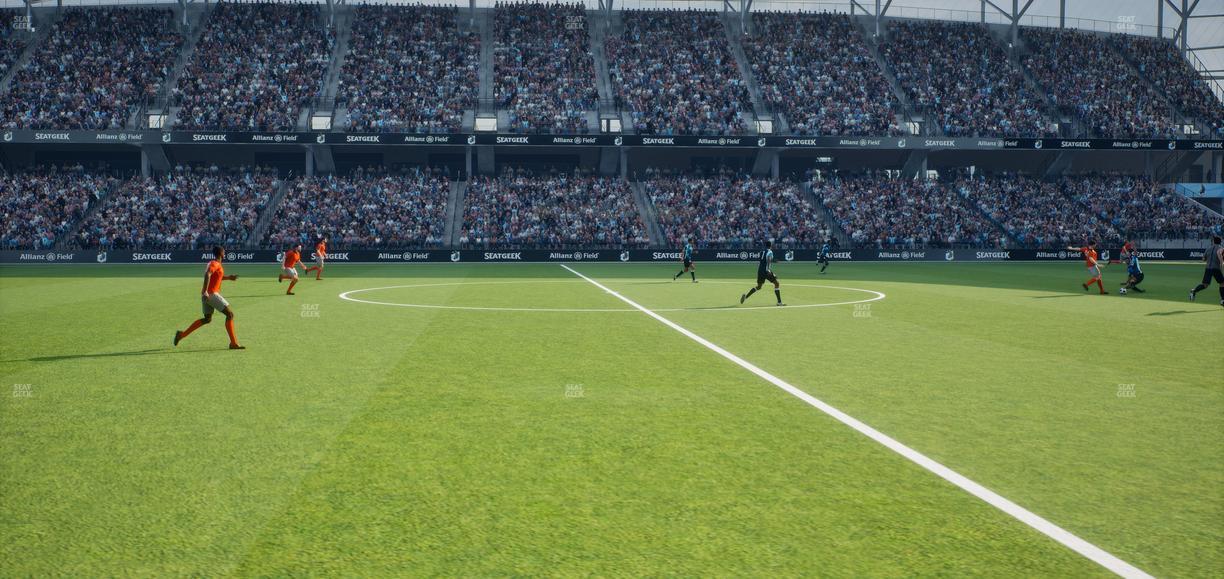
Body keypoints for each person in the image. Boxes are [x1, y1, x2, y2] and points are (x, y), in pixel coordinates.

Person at [174, 246, 244, 350]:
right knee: (230, 314)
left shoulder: (216, 264)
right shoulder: (215, 263)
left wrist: (229, 277)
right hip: (211, 294)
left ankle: (181, 335)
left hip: (207, 294)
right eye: (224, 251)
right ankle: (233, 343)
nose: (225, 252)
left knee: (207, 319)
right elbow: (208, 274)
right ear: (221, 253)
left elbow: (216, 277)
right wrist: (205, 291)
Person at [740, 240, 784, 306]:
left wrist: (774, 261)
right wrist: (768, 269)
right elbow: (768, 259)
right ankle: (779, 302)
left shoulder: (762, 252)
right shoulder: (770, 251)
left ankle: (746, 296)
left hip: (760, 270)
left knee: (759, 286)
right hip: (766, 271)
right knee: (776, 283)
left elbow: (763, 260)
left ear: (765, 245)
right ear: (770, 245)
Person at [1189, 235, 1224, 306]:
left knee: (1205, 285)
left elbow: (1203, 259)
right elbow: (1221, 260)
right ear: (1220, 242)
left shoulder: (1208, 248)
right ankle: (1222, 300)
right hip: (1216, 268)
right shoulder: (1221, 249)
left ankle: (1193, 291)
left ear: (1214, 241)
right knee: (1222, 283)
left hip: (1208, 268)